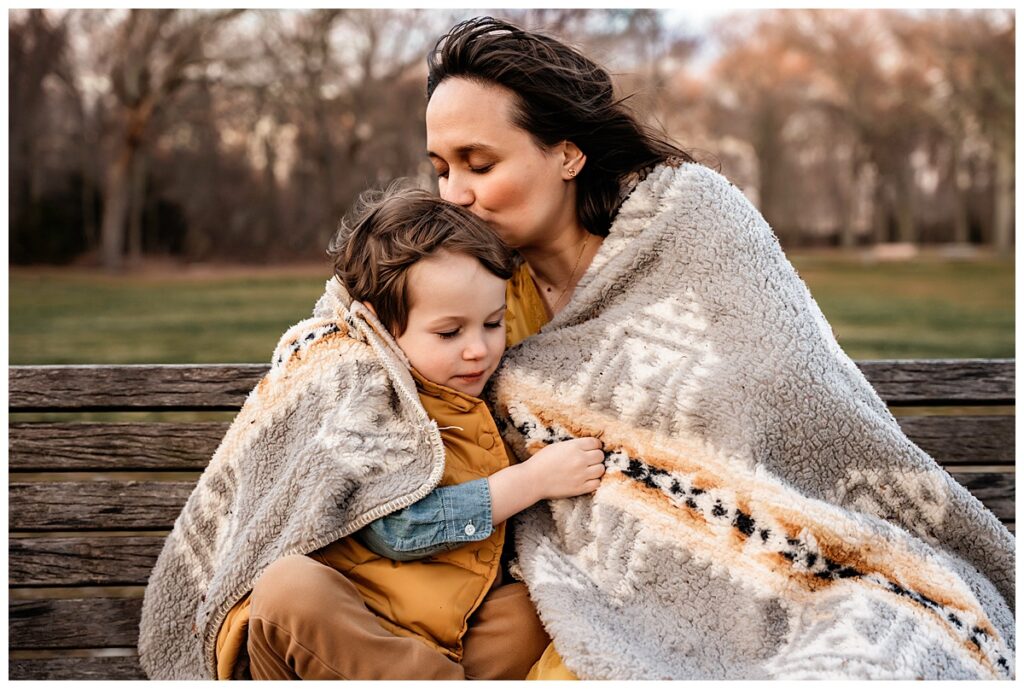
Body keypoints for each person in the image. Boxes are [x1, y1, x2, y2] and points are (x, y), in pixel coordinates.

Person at [424, 17, 1015, 680]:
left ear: (567, 153)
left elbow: (798, 399)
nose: (454, 193)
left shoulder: (694, 224)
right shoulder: (456, 281)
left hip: (805, 562)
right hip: (579, 585)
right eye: (441, 168)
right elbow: (352, 353)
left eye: (479, 163)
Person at [138, 184, 605, 679]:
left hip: (438, 640)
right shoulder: (366, 398)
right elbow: (398, 528)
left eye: (492, 324)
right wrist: (532, 481)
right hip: (340, 636)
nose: (478, 350)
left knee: (544, 609)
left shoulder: (487, 398)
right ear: (381, 325)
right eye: (450, 332)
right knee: (287, 591)